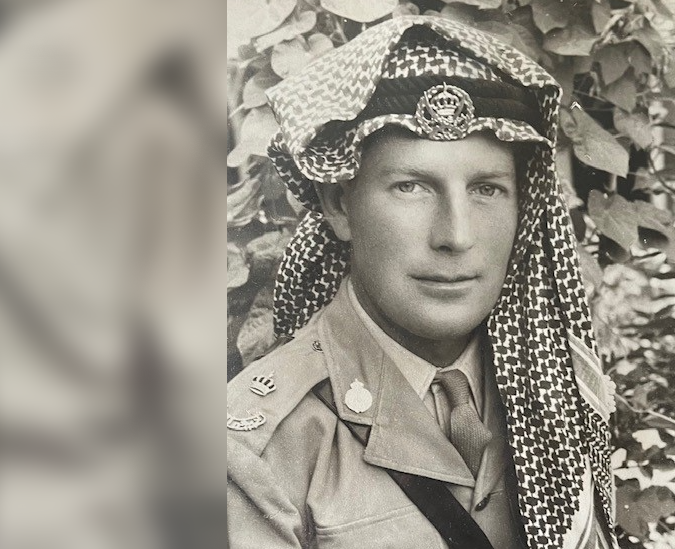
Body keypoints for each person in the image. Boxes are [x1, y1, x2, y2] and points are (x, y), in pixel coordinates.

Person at [227, 16, 618, 549]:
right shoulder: (257, 452)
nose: (455, 236)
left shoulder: (554, 396)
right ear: (340, 206)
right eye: (411, 186)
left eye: (486, 189)